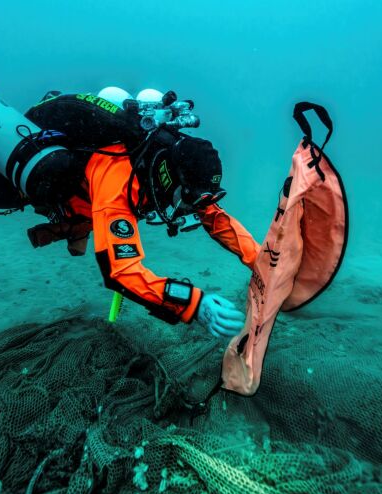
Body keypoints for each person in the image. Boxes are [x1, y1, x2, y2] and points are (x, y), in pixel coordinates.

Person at [19, 87, 261, 338]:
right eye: (189, 199)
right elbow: (120, 272)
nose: (192, 209)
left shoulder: (177, 161)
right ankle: (71, 227)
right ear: (169, 179)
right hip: (86, 203)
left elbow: (216, 218)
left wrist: (262, 264)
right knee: (86, 220)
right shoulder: (118, 180)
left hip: (101, 200)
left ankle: (79, 226)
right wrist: (194, 304)